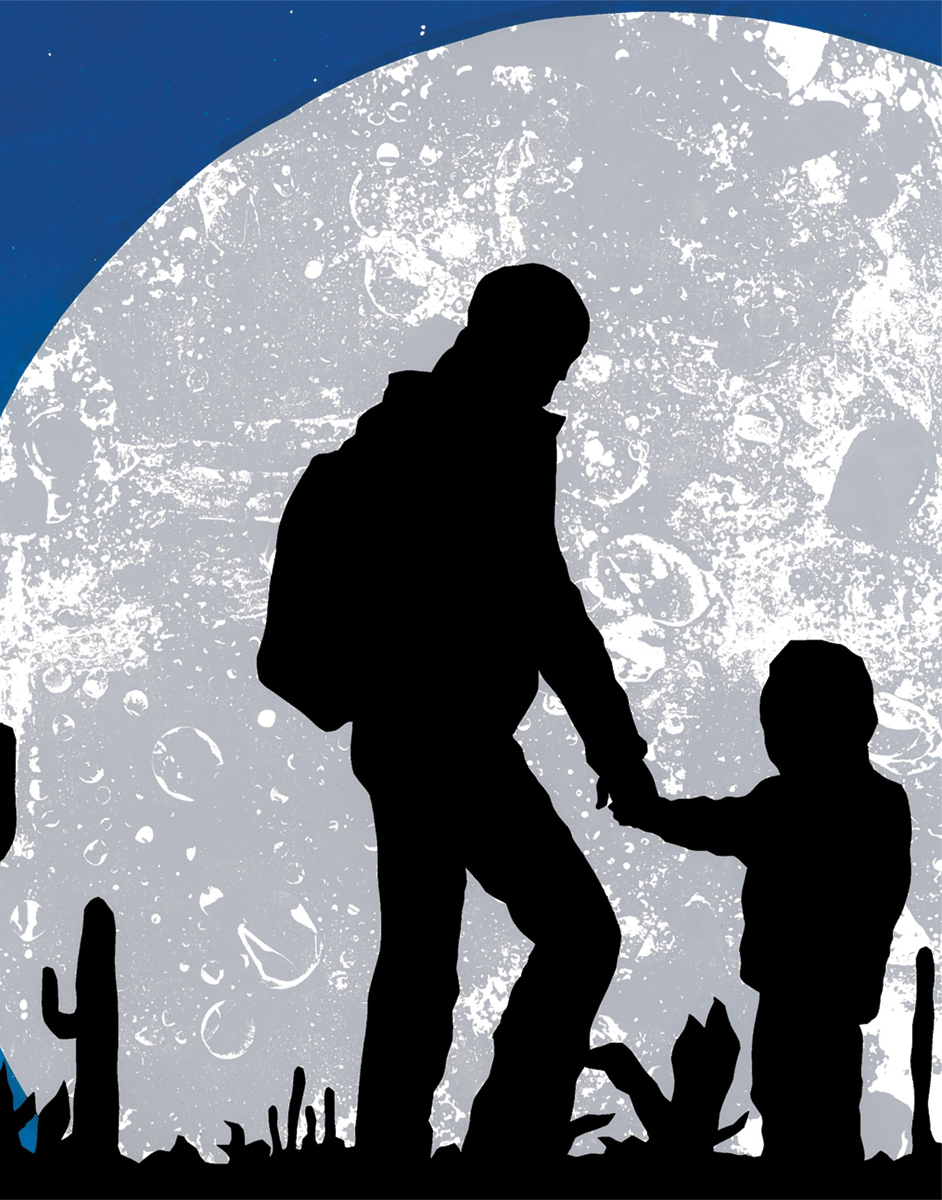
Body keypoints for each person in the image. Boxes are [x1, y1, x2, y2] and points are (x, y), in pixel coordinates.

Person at [258, 263, 657, 1167]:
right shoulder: (477, 441)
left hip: (409, 734)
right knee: (573, 932)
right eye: (555, 359)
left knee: (421, 956)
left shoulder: (414, 434)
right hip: (445, 735)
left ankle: (400, 1152)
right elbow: (546, 605)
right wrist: (616, 749)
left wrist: (612, 742)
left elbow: (541, 604)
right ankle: (502, 1145)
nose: (558, 381)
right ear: (508, 339)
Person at [609, 639, 912, 1164]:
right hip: (832, 994)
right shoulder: (881, 802)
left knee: (801, 1113)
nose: (772, 731)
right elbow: (714, 823)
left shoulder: (790, 805)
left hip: (802, 993)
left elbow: (709, 823)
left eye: (779, 716)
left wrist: (646, 811)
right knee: (815, 1111)